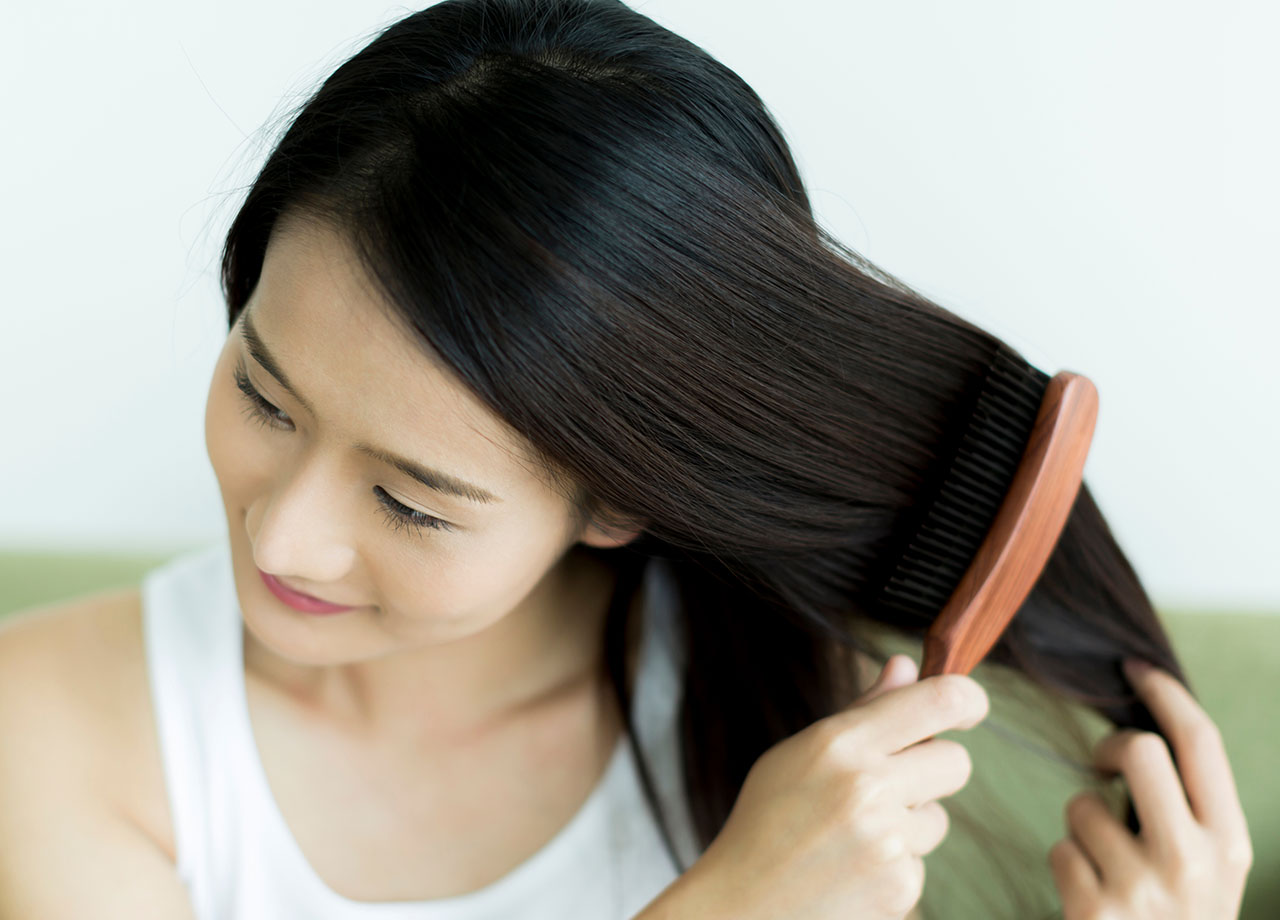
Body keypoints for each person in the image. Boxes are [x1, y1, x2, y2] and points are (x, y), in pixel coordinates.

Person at [0, 1, 1251, 918]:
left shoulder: (770, 725)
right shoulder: (50, 726)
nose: (278, 535)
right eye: (264, 396)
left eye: (408, 498)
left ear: (613, 500)